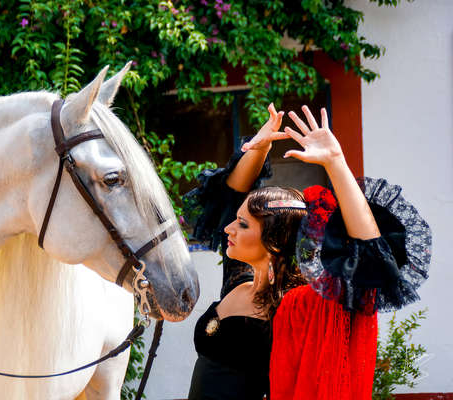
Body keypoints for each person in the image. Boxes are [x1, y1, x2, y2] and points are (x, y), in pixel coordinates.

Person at [184, 105, 431, 400]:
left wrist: (335, 163)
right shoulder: (240, 281)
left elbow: (372, 262)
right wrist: (259, 149)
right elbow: (234, 194)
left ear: (274, 242)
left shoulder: (300, 306)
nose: (228, 229)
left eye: (242, 224)